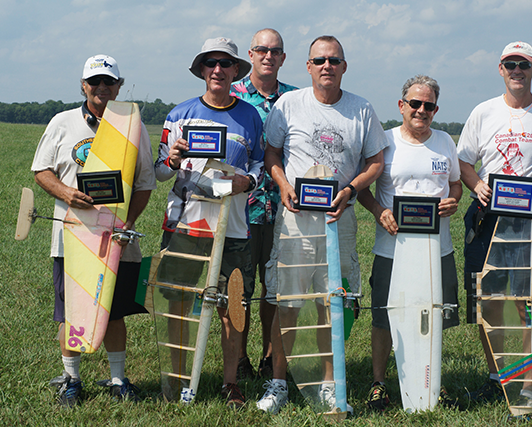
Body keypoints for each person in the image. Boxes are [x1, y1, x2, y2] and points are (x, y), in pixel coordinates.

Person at [256, 35, 388, 414]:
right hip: (296, 221)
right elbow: (272, 152)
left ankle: (331, 384)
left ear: (344, 66)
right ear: (308, 66)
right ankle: (279, 382)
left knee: (333, 303)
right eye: (319, 60)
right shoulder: (289, 104)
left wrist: (350, 190)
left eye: (334, 60)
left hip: (339, 222)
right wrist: (282, 186)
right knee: (289, 303)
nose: (327, 66)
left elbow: (375, 162)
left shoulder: (361, 110)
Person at [32, 54, 156, 407]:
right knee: (73, 310)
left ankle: (118, 379)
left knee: (114, 311)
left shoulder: (132, 125)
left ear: (119, 86)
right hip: (71, 236)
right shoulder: (63, 122)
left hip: (116, 238)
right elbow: (42, 171)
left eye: (109, 82)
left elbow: (146, 181)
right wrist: (67, 193)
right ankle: (71, 379)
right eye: (95, 81)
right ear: (83, 85)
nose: (102, 87)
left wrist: (128, 222)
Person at [458, 41, 532, 403]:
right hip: (487, 218)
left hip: (531, 221)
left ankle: (526, 384)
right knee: (487, 300)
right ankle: (496, 379)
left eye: (524, 64)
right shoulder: (483, 112)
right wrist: (476, 184)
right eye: (510, 64)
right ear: (500, 69)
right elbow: (464, 161)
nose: (517, 70)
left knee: (528, 302)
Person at [155, 37, 263, 408]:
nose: (218, 69)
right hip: (186, 224)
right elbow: (159, 172)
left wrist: (247, 182)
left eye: (226, 63)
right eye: (211, 63)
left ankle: (230, 383)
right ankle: (178, 376)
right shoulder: (179, 114)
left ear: (236, 71)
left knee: (233, 306)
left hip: (232, 228)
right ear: (202, 69)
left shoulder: (250, 116)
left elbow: (260, 166)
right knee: (177, 300)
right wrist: (170, 158)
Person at [357, 75, 462, 411]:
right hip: (392, 250)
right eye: (415, 104)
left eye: (428, 105)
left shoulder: (445, 142)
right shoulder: (384, 143)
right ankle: (379, 383)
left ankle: (432, 383)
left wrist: (454, 201)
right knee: (385, 316)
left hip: (437, 249)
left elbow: (457, 185)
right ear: (401, 106)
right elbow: (362, 190)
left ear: (435, 109)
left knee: (432, 314)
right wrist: (378, 211)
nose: (421, 110)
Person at [230, 28, 297, 380]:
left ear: (283, 58)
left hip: (286, 210)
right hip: (241, 210)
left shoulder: (297, 99)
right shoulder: (232, 96)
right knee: (240, 286)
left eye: (275, 51)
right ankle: (238, 358)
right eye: (261, 50)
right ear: (251, 55)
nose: (268, 56)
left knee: (276, 288)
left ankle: (270, 356)